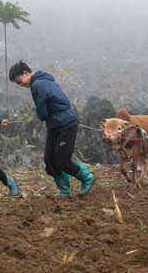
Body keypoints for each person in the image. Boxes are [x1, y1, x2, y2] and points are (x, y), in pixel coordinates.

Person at [9, 60, 94, 197]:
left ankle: (87, 177)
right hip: (55, 124)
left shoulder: (37, 85)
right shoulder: (44, 80)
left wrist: (39, 115)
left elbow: (42, 113)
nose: (21, 85)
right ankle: (64, 189)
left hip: (65, 124)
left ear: (26, 73)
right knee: (49, 159)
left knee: (62, 161)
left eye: (20, 81)